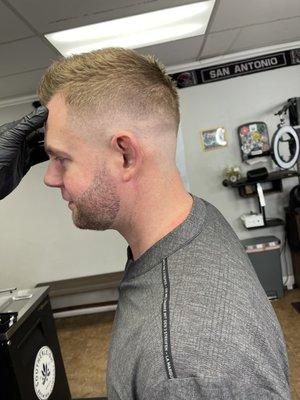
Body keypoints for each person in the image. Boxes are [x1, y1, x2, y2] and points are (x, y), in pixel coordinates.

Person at [0, 48, 290, 399]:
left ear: (125, 154)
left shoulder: (184, 369)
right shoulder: (195, 220)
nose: (49, 178)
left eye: (62, 158)